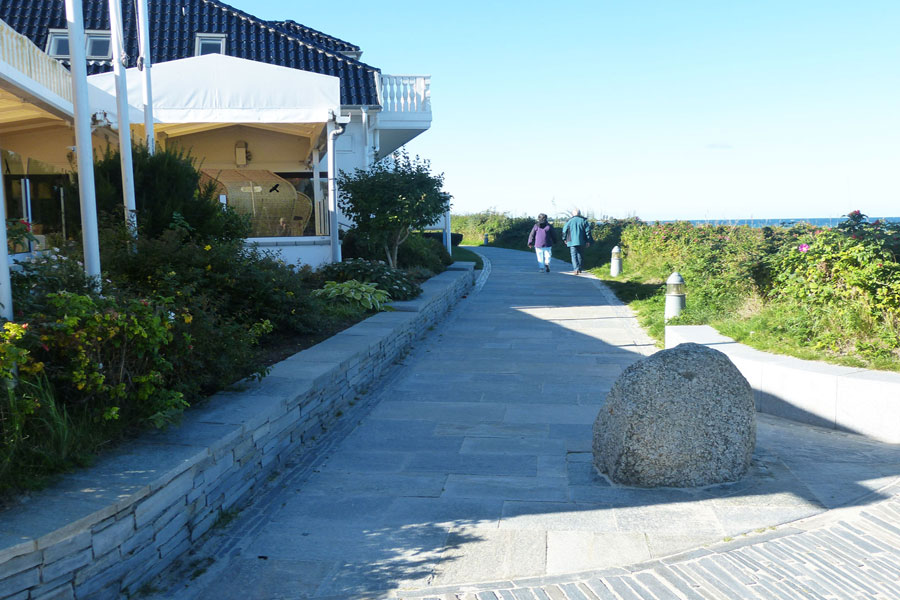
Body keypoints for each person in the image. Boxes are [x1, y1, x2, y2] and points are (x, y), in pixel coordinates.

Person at [562, 209, 592, 274]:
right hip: (582, 240)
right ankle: (580, 268)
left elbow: (564, 231)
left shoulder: (569, 221)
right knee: (580, 254)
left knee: (573, 255)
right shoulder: (584, 220)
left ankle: (576, 269)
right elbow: (588, 232)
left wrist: (564, 239)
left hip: (571, 241)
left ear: (573, 214)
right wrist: (588, 241)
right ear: (579, 213)